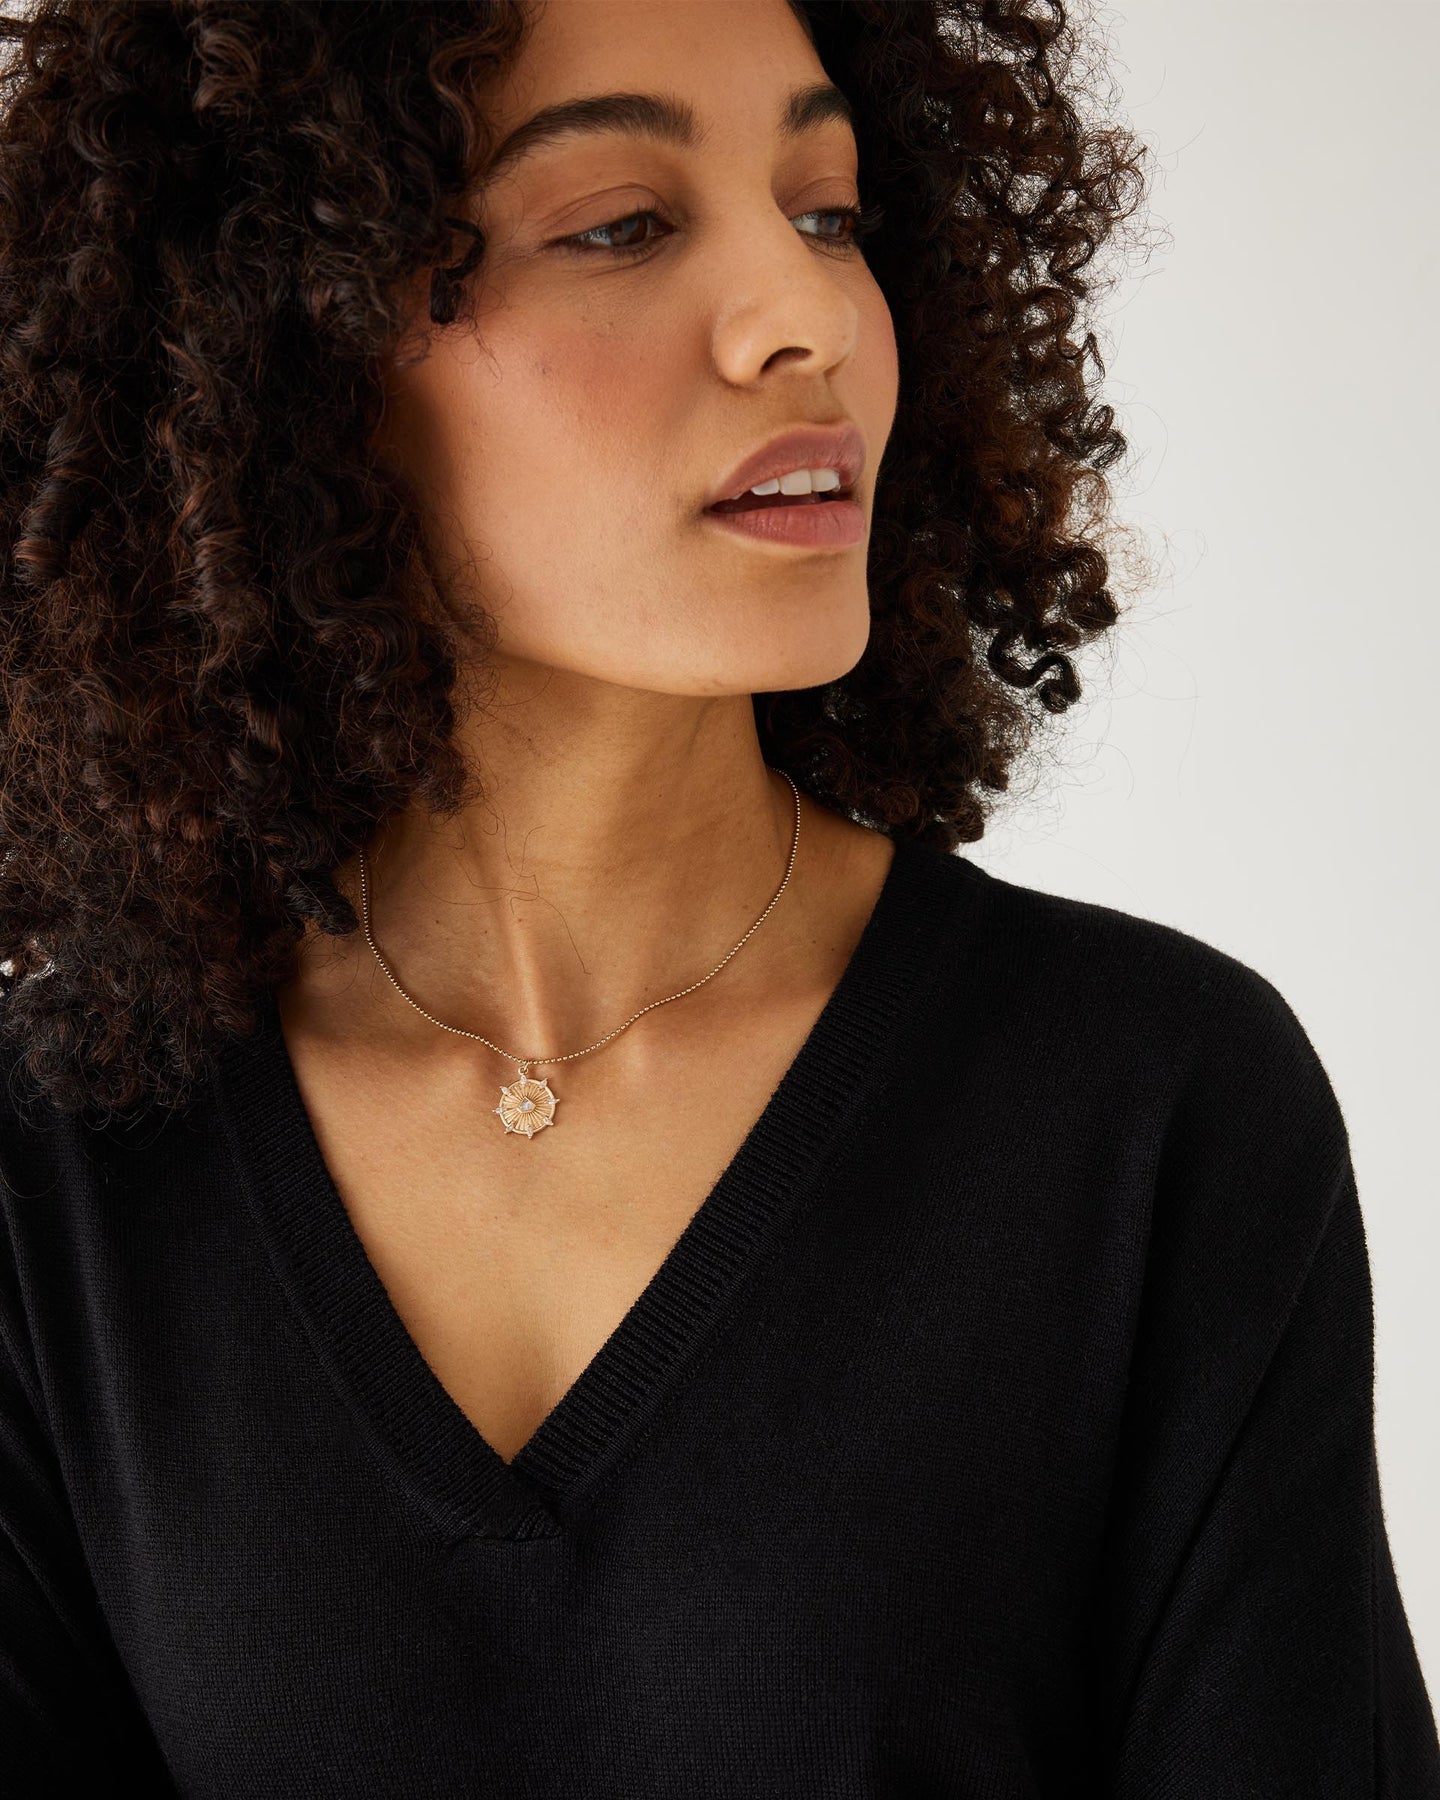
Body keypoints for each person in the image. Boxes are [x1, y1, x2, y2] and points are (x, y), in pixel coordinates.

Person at [0, 0, 1435, 1793]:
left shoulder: (1155, 1114)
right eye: (621, 224)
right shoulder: (67, 1170)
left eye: (829, 211)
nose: (804, 316)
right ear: (290, 341)